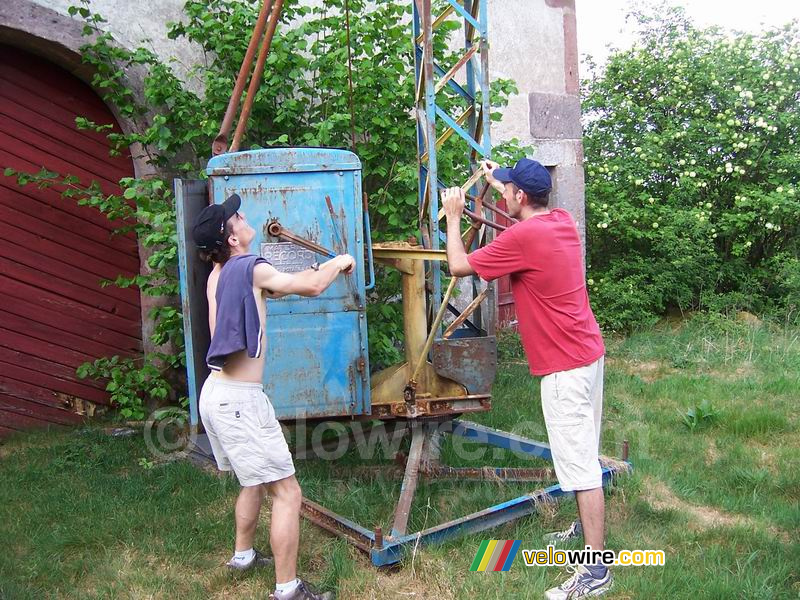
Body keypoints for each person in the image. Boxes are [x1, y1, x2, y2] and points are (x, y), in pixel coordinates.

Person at [442, 159, 612, 599]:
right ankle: (585, 532)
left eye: (508, 191)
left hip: (563, 370)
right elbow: (517, 197)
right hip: (589, 355)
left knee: (580, 466)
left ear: (520, 196)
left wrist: (456, 214)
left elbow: (457, 266)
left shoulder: (522, 237)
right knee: (585, 452)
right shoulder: (561, 220)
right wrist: (499, 176)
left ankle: (596, 571)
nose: (503, 195)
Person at [192, 193, 354, 600]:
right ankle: (287, 590)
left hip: (214, 393)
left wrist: (304, 274)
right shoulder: (249, 267)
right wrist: (338, 262)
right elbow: (314, 287)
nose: (244, 217)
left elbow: (264, 292)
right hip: (240, 401)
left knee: (252, 480)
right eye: (237, 217)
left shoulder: (220, 273)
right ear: (232, 238)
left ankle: (243, 556)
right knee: (287, 491)